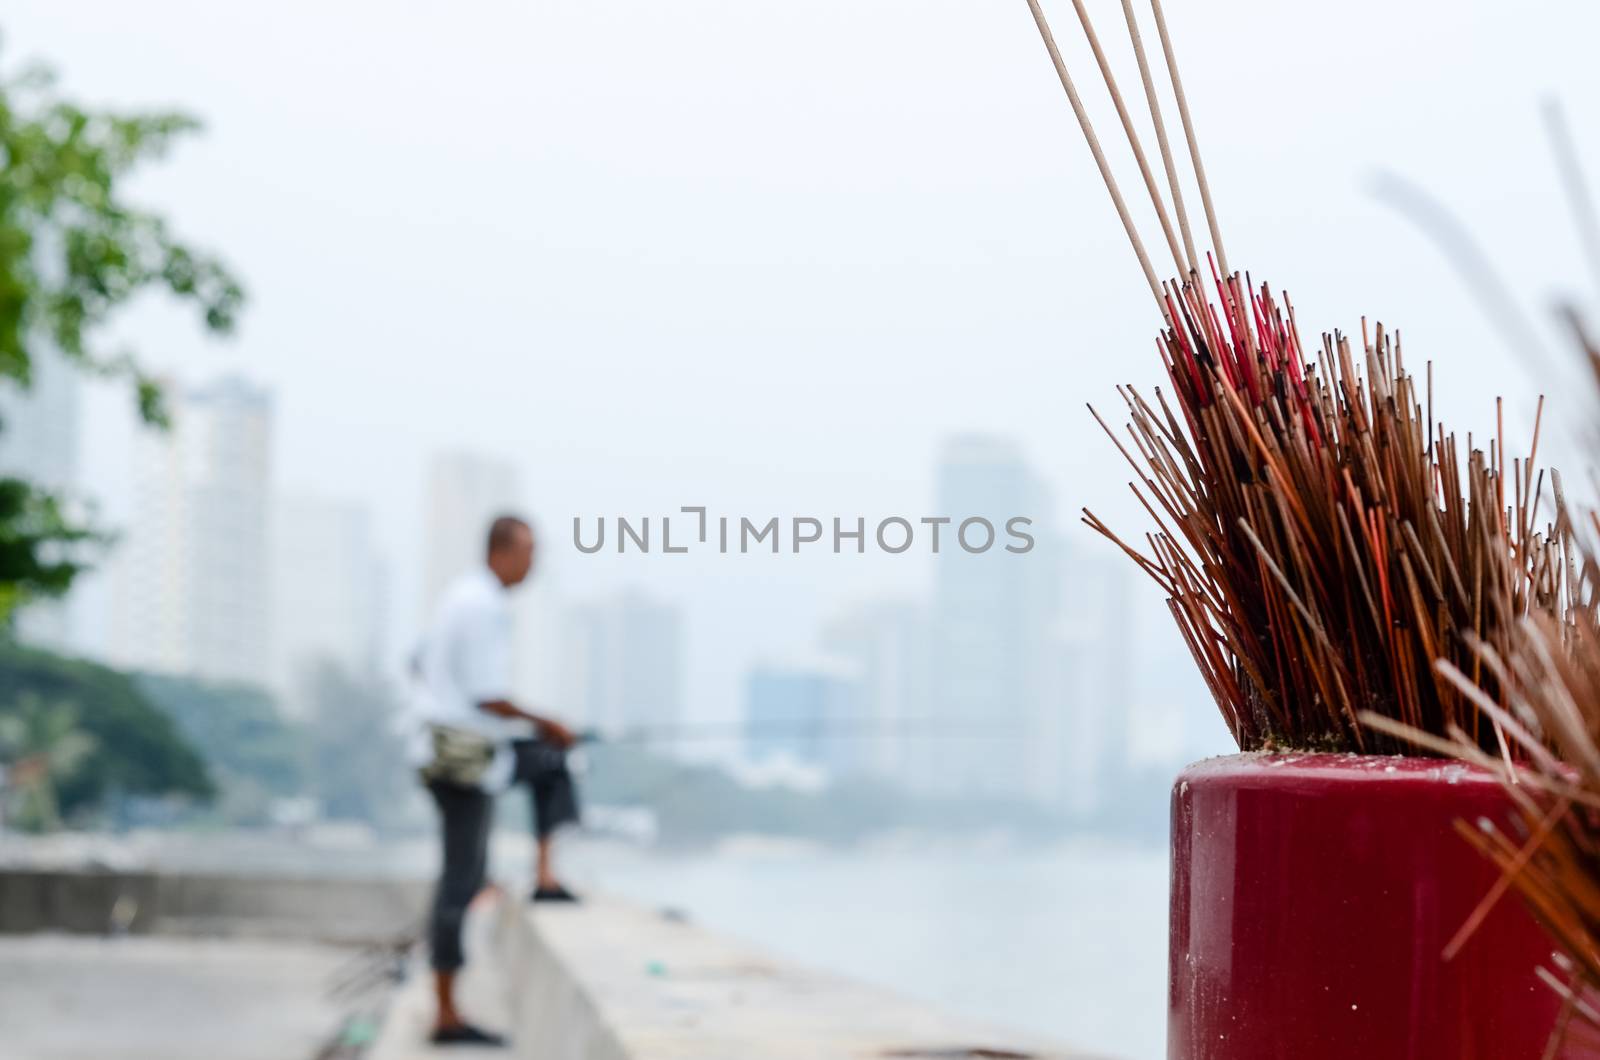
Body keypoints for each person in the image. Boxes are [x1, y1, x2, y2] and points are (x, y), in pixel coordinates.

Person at [408, 515, 579, 1046]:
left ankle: (547, 877)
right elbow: (486, 694)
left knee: (464, 873)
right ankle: (445, 1015)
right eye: (528, 552)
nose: (533, 564)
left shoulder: (462, 597)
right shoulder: (480, 604)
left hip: (455, 748)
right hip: (464, 757)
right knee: (461, 879)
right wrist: (546, 722)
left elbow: (417, 663)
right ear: (501, 551)